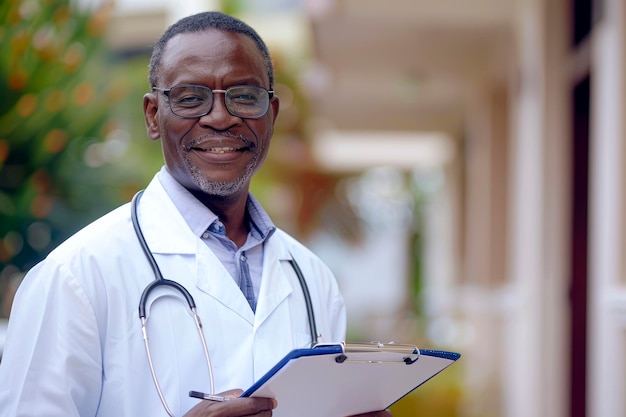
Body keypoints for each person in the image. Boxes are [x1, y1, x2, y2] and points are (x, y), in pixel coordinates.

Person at [0, 11, 392, 417]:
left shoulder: (312, 280)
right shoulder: (75, 276)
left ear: (271, 114)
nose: (220, 118)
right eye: (190, 98)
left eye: (244, 96)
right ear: (153, 115)